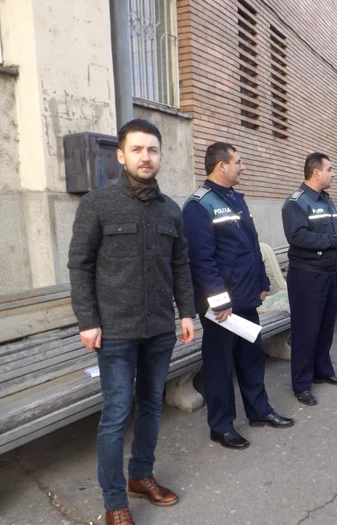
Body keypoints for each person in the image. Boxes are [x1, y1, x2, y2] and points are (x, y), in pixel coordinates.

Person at [68, 119, 196, 525]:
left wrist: (187, 312)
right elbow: (80, 265)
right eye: (138, 149)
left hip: (159, 328)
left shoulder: (171, 211)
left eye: (153, 150)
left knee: (152, 408)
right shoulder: (97, 205)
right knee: (117, 412)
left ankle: (141, 476)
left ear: (160, 156)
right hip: (116, 331)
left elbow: (180, 267)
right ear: (121, 155)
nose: (146, 156)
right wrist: (88, 320)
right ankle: (113, 501)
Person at [182, 143, 293, 451]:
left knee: (252, 358)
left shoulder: (234, 200)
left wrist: (261, 282)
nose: (243, 167)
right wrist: (219, 303)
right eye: (239, 162)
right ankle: (221, 426)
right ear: (221, 166)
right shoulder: (198, 205)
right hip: (222, 308)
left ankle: (259, 412)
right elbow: (201, 260)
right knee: (219, 367)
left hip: (245, 299)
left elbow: (251, 247)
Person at [281, 153, 337, 406]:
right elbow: (298, 238)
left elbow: (336, 230)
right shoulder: (297, 203)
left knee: (324, 327)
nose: (334, 173)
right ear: (316, 173)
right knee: (305, 330)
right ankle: (302, 384)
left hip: (328, 273)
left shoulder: (327, 201)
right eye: (330, 169)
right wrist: (336, 241)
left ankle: (322, 371)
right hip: (307, 276)